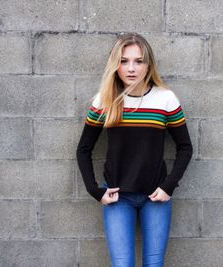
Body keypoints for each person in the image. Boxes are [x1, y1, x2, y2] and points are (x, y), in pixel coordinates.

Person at [76, 32, 193, 266]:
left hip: (156, 198)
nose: (132, 68)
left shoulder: (165, 99)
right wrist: (95, 191)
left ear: (148, 65)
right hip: (118, 198)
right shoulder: (105, 100)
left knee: (154, 263)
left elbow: (185, 147)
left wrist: (168, 186)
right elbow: (83, 149)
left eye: (139, 61)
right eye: (124, 61)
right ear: (115, 65)